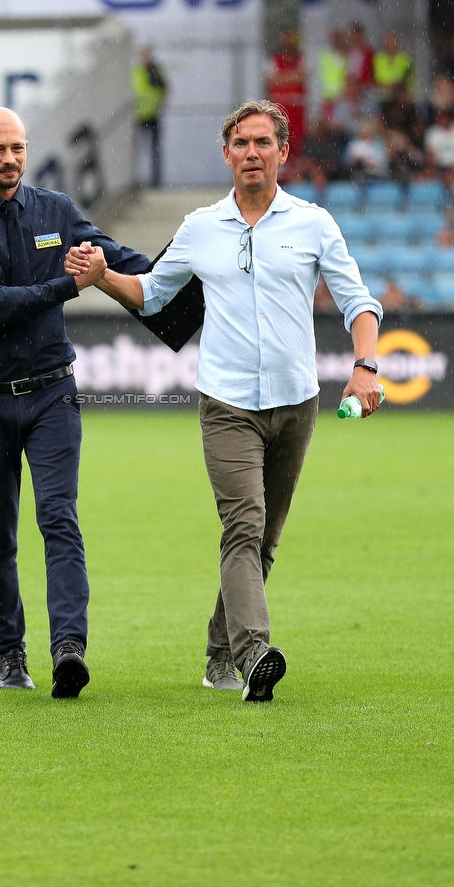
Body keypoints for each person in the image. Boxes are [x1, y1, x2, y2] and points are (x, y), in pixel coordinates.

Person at [66, 100, 383, 703]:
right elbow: (154, 296)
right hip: (227, 405)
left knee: (263, 540)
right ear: (227, 154)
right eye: (241, 144)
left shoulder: (314, 223)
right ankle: (254, 652)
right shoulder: (200, 228)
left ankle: (218, 655)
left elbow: (358, 302)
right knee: (243, 525)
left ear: (283, 152)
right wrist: (103, 275)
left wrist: (365, 366)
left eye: (263, 143)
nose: (252, 153)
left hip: (298, 403)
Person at [0, 107, 149, 697]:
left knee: (60, 518)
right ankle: (9, 653)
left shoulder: (55, 210)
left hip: (53, 391)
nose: (10, 159)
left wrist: (176, 273)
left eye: (18, 148)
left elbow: (114, 254)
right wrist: (72, 284)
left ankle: (68, 650)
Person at [266, 28, 307, 152]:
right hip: (280, 105)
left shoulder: (301, 58)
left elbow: (302, 76)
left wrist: (282, 77)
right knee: (280, 137)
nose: (287, 41)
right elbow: (271, 81)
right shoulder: (274, 59)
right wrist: (292, 77)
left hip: (297, 105)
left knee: (298, 139)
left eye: (289, 38)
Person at [133, 46, 168, 187]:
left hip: (151, 114)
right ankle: (141, 179)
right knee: (141, 150)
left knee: (154, 149)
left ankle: (155, 180)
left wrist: (157, 104)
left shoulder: (154, 71)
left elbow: (164, 90)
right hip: (138, 116)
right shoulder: (139, 72)